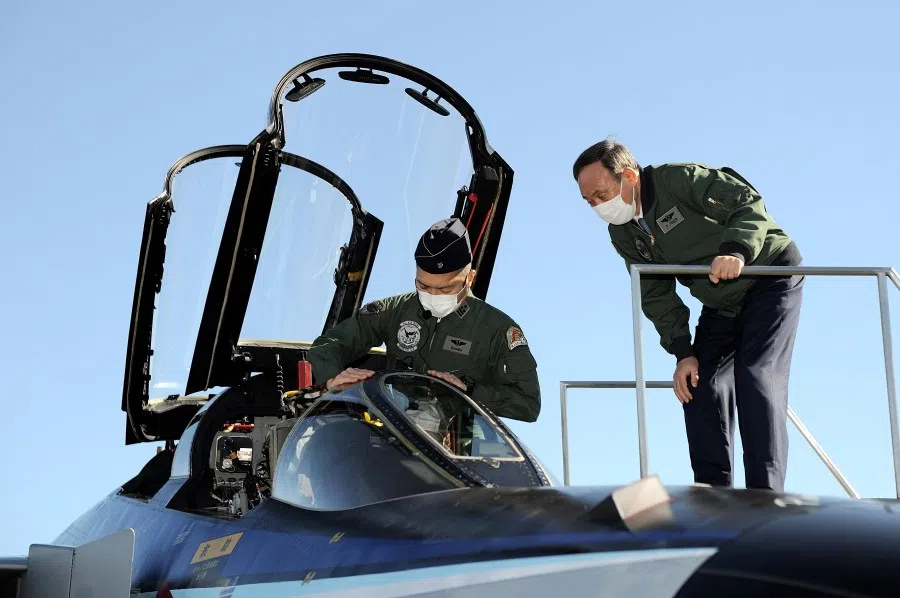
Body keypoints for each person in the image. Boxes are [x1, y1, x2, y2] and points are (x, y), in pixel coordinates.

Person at [572, 137, 803, 492]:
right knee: (696, 385)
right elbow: (654, 291)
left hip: (768, 275)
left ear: (630, 176)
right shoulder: (622, 233)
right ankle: (713, 496)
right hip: (719, 301)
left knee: (755, 374)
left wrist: (736, 251)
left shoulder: (678, 180)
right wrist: (683, 353)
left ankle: (765, 495)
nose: (598, 207)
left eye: (602, 195)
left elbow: (746, 202)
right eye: (589, 202)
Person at [306, 217, 541, 423]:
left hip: (453, 448)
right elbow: (328, 346)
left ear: (470, 278)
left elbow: (528, 404)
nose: (433, 296)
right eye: (424, 286)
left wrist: (469, 390)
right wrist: (332, 380)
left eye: (447, 288)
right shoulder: (396, 310)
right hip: (391, 430)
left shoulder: (498, 330)